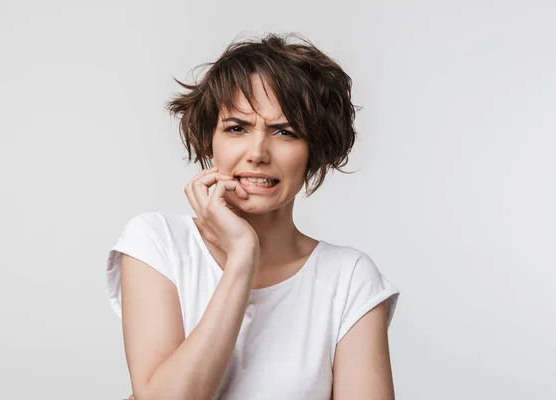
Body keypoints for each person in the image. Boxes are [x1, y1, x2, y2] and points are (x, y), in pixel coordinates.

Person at [107, 32, 400, 400]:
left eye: (285, 132)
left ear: (314, 152)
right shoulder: (157, 243)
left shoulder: (348, 279)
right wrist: (242, 259)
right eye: (237, 128)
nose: (258, 152)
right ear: (209, 139)